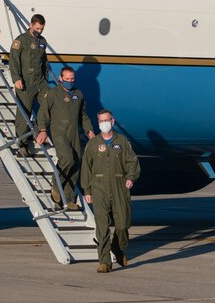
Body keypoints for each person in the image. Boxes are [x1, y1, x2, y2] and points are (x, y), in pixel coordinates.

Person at [80, 109, 140, 273]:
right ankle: (104, 262)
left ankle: (118, 247)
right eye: (101, 121)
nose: (104, 124)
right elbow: (86, 167)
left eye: (106, 120)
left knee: (123, 224)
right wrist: (87, 190)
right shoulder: (93, 144)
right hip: (99, 188)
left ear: (112, 122)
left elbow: (132, 162)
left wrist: (130, 177)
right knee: (102, 227)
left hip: (119, 186)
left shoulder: (122, 141)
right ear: (98, 123)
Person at [36, 66, 95, 210]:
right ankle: (56, 186)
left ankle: (68, 199)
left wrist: (90, 131)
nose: (70, 81)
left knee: (76, 163)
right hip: (59, 131)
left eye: (72, 79)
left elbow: (83, 116)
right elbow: (43, 112)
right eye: (67, 79)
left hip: (73, 132)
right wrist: (42, 130)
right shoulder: (53, 93)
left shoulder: (78, 94)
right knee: (67, 159)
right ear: (61, 78)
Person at [9, 14, 48, 155]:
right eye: (37, 28)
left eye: (42, 29)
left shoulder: (43, 41)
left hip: (40, 81)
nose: (39, 31)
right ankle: (22, 143)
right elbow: (14, 61)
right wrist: (16, 79)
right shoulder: (21, 41)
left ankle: (38, 130)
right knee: (24, 113)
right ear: (31, 25)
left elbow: (44, 61)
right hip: (25, 82)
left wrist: (45, 77)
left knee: (50, 104)